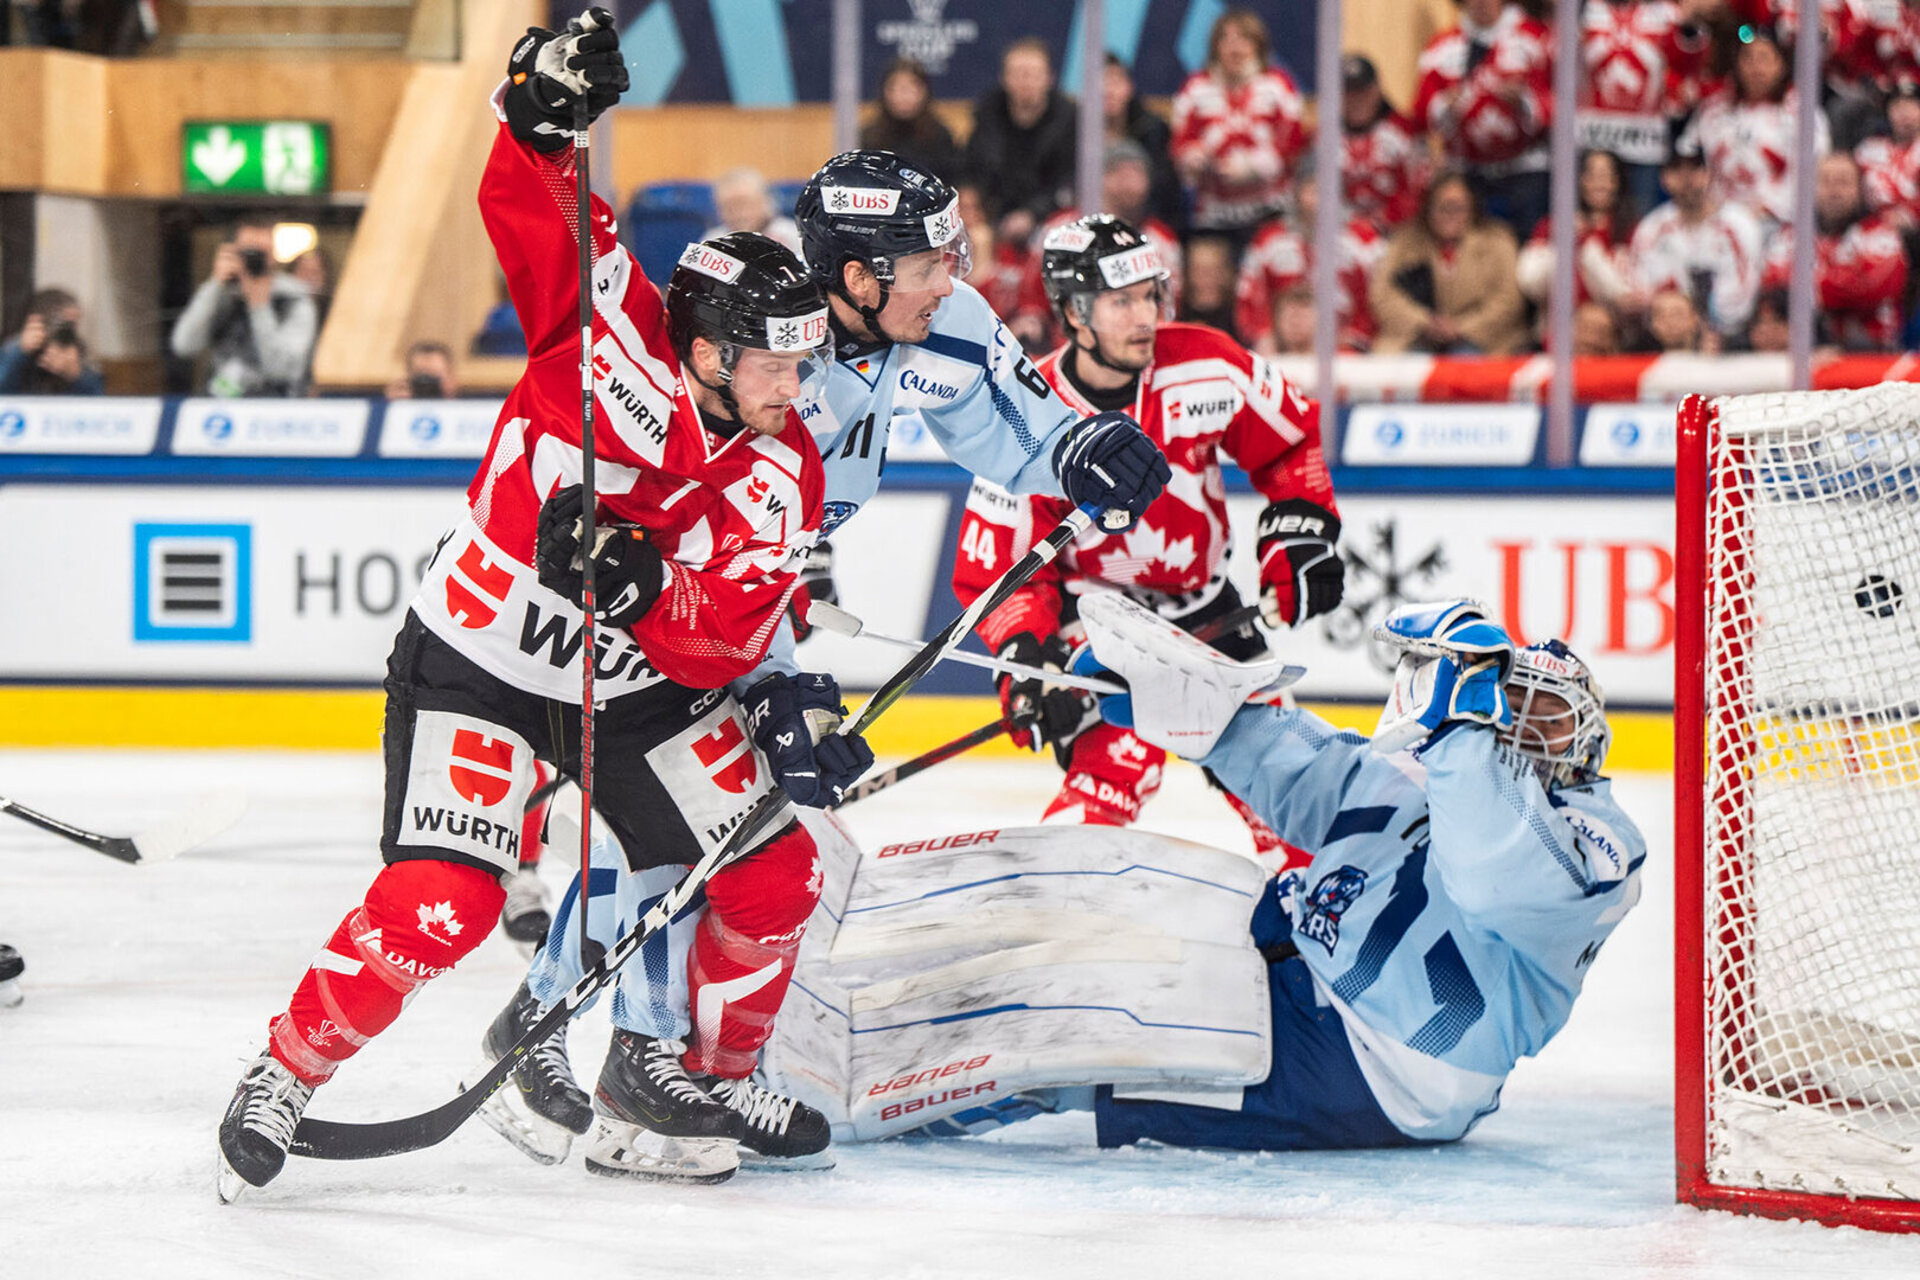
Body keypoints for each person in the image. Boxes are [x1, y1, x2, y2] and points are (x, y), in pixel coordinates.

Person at [215, 12, 865, 1200]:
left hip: (637, 687)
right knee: (445, 900)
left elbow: (726, 626)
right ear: (707, 350)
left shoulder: (787, 465)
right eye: (774, 361)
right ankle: (285, 1070)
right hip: (482, 661)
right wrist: (539, 122)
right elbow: (538, 210)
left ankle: (696, 1074)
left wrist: (647, 582)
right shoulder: (604, 332)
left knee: (775, 868)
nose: (795, 384)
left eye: (803, 360)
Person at [489, 147, 1174, 1176]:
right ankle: (589, 1041)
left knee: (737, 827)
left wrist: (1084, 451)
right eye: (929, 263)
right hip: (667, 591)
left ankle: (636, 1069)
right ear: (858, 275)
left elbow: (1019, 433)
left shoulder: (938, 321)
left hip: (754, 589)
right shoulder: (758, 341)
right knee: (671, 818)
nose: (952, 280)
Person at [768, 595, 1644, 1156]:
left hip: (1373, 1065)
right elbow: (1318, 780)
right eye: (1510, 703)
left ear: (1588, 736)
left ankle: (851, 1107)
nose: (1519, 730)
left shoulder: (1601, 845)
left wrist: (1462, 733)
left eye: (1546, 717)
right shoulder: (1439, 756)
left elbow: (1491, 870)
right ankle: (833, 990)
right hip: (1286, 947)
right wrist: (1191, 716)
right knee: (1082, 886)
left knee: (1078, 1043)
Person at [952, 214, 1342, 859]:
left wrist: (1300, 533)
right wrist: (1028, 658)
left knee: (1285, 790)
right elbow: (1000, 565)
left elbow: (1289, 442)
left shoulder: (1208, 364)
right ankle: (1058, 897)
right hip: (1098, 623)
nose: (1145, 317)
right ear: (1074, 313)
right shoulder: (1027, 414)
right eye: (1121, 302)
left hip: (1208, 610)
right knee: (1114, 768)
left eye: (1149, 295)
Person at [1011, 141, 1185, 352]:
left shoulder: (1160, 240)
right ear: (1100, 178)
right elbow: (1033, 291)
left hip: (1135, 347)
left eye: (1138, 174)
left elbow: (1167, 305)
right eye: (1121, 174)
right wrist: (1031, 315)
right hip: (1064, 345)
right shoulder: (1061, 228)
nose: (1132, 184)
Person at [1413, 0, 1556, 240]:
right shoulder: (1442, 47)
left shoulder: (1536, 38)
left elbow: (1563, 100)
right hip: (1467, 172)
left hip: (1525, 171)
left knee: (1530, 245)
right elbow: (1421, 115)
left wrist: (1525, 100)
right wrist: (1445, 104)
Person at [1170, 8, 1308, 249]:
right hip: (1213, 212)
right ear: (1215, 47)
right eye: (1226, 40)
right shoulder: (1196, 87)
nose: (1235, 49)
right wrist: (1193, 158)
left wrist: (1257, 165)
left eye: (1244, 40)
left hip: (1271, 208)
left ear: (1258, 46)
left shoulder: (1278, 85)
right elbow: (1180, 142)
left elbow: (1294, 140)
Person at [1679, 23, 1829, 231]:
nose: (1756, 67)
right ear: (1737, 65)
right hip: (1715, 220)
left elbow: (1816, 168)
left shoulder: (1802, 113)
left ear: (1781, 65)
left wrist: (1773, 210)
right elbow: (1687, 158)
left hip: (1776, 221)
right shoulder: (1713, 110)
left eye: (1764, 58)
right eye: (1748, 58)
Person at [1235, 161, 1388, 354]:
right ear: (1297, 193)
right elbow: (1250, 293)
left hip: (1348, 345)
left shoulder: (1365, 240)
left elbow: (1381, 295)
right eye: (1312, 190)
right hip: (1282, 345)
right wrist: (1264, 334)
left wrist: (1356, 337)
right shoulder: (1269, 239)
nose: (1319, 200)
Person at [1762, 152, 1909, 351]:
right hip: (1808, 348)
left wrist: (1810, 286)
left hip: (1870, 351)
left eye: (1843, 182)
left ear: (1859, 189)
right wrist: (1835, 282)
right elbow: (1774, 285)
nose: (1834, 191)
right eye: (1825, 181)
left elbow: (1872, 288)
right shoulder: (1791, 236)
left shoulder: (1881, 234)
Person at [1625, 135, 1766, 341]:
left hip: (1730, 336)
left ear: (1709, 173)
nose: (1687, 178)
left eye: (1695, 168)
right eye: (1677, 169)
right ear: (1664, 177)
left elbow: (1744, 293)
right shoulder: (1651, 227)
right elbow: (1640, 288)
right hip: (1665, 336)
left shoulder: (1739, 223)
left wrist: (1704, 324)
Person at [1370, 172, 1529, 355]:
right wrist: (1425, 322)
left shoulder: (1498, 241)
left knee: (1464, 359)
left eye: (1458, 208)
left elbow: (1509, 300)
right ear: (1428, 209)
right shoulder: (1404, 242)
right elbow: (1383, 295)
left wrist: (1461, 327)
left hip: (1484, 340)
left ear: (1472, 208)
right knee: (1411, 362)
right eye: (1442, 208)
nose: (1450, 215)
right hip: (1415, 336)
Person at [1579, 0, 1715, 212]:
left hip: (1645, 145)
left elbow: (1686, 65)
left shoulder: (1667, 13)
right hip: (1592, 139)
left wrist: (1688, 26)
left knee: (1641, 217)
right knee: (1589, 218)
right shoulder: (1583, 10)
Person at [170, 215, 318, 397]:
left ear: (274, 256)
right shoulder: (221, 295)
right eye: (248, 252)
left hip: (275, 406)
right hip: (222, 403)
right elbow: (184, 345)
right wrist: (215, 284)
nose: (254, 260)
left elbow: (283, 370)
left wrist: (260, 307)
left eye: (263, 253)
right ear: (233, 253)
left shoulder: (293, 298)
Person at [964, 38, 1078, 248]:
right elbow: (973, 170)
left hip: (1051, 218)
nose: (1025, 82)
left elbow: (1068, 182)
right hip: (994, 216)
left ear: (1049, 78)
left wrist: (1032, 214)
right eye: (1017, 73)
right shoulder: (987, 115)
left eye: (1033, 74)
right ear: (1004, 78)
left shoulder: (1069, 120)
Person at [1515, 150, 1637, 318]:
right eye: (1591, 176)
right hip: (1558, 323)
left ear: (1618, 182)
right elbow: (1529, 283)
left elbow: (1625, 295)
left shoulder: (1630, 229)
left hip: (1610, 323)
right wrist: (1562, 241)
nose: (1599, 184)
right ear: (1578, 180)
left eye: (1606, 176)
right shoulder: (1551, 226)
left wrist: (1588, 245)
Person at [1340, 54, 1431, 234]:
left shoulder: (1405, 132)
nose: (1356, 100)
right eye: (1348, 93)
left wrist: (1382, 222)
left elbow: (1418, 189)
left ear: (1377, 90)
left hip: (1396, 234)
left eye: (1362, 91)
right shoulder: (1323, 138)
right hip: (1339, 235)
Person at [1102, 54, 1182, 231]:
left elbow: (1166, 190)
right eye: (1101, 83)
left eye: (1115, 82)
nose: (1108, 91)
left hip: (1143, 224)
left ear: (1130, 87)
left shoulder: (1152, 130)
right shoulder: (1072, 130)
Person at [858, 57, 961, 184]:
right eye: (895, 88)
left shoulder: (940, 136)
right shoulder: (870, 137)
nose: (903, 96)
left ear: (925, 91)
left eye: (910, 88)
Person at [0, 287, 104, 394]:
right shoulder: (14, 348)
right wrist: (20, 353)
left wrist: (77, 375)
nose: (70, 333)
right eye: (65, 325)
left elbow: (97, 396)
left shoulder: (80, 351)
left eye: (74, 326)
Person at [703, 167, 803, 257]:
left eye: (745, 204)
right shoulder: (713, 241)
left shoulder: (794, 236)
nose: (739, 214)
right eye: (730, 207)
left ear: (766, 202)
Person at [383, 340, 460, 400]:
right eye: (420, 376)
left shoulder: (464, 411)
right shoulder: (398, 408)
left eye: (433, 375)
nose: (427, 382)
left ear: (451, 378)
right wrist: (391, 405)